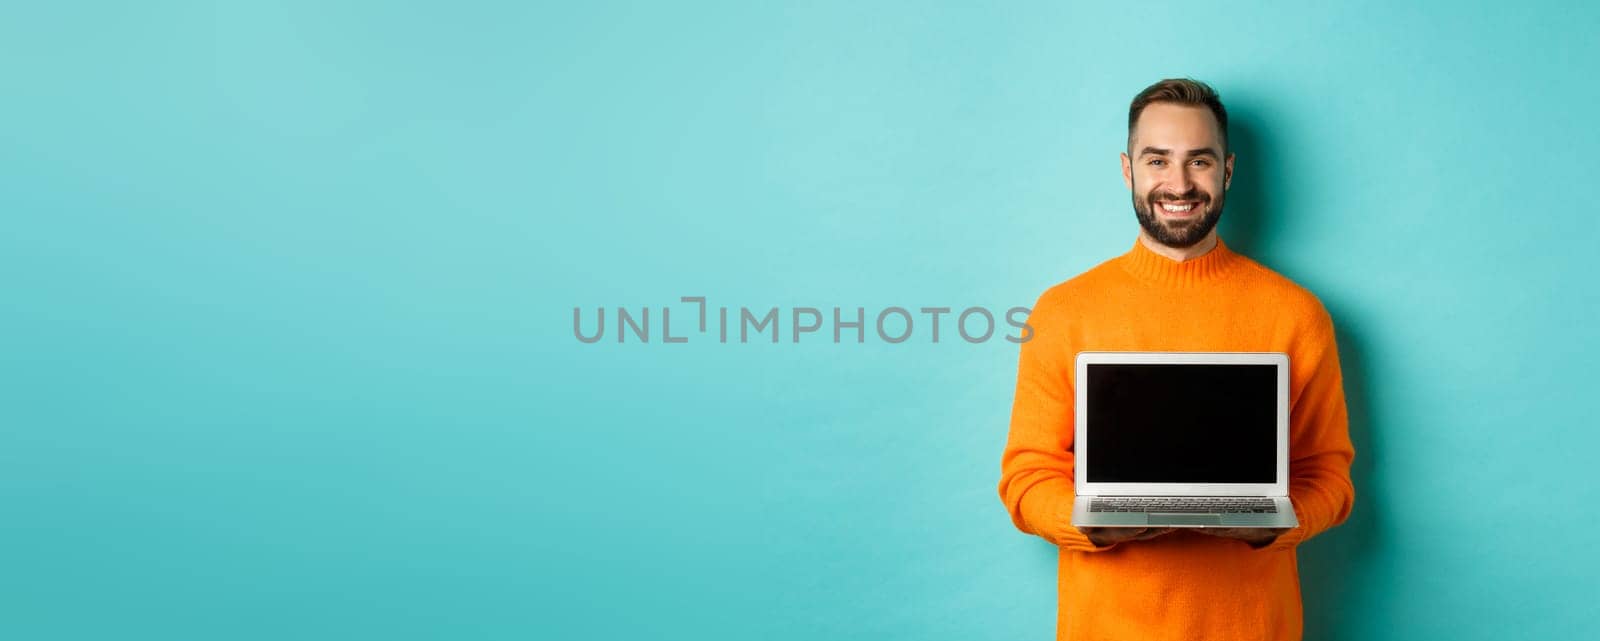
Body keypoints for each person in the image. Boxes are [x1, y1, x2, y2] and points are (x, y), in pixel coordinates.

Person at [996, 78, 1356, 641]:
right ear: (1127, 169)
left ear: (1228, 171)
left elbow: (1329, 477)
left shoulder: (1296, 314)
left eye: (1200, 161)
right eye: (1157, 160)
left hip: (1253, 628)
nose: (1179, 183)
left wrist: (1271, 527)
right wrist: (1091, 524)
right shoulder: (1065, 310)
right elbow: (1025, 476)